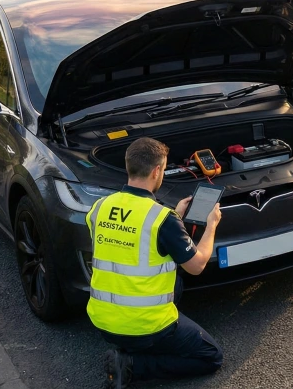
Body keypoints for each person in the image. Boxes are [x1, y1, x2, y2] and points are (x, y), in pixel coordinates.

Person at [86, 137, 224, 389]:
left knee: (174, 280)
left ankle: (131, 347)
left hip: (102, 320)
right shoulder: (163, 219)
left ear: (128, 166)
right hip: (145, 326)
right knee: (210, 356)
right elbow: (197, 266)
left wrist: (176, 216)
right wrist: (211, 225)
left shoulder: (99, 207)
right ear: (157, 171)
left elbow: (131, 240)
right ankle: (131, 365)